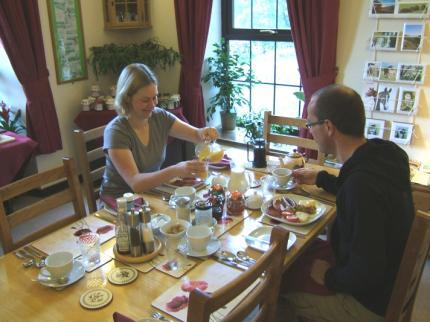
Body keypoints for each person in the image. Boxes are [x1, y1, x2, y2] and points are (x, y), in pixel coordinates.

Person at [282, 84, 414, 321]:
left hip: (369, 304)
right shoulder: (387, 154)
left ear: (329, 127)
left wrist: (329, 277)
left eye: (311, 124)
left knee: (278, 290)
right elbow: (362, 191)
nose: (310, 131)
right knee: (302, 255)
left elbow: (367, 273)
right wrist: (322, 178)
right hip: (391, 278)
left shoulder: (359, 188)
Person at [100, 63, 218, 200]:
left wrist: (205, 132)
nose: (152, 105)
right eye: (145, 100)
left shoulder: (159, 117)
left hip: (150, 193)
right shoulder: (116, 132)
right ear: (127, 98)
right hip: (121, 202)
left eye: (155, 97)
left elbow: (195, 135)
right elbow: (136, 183)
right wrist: (176, 170)